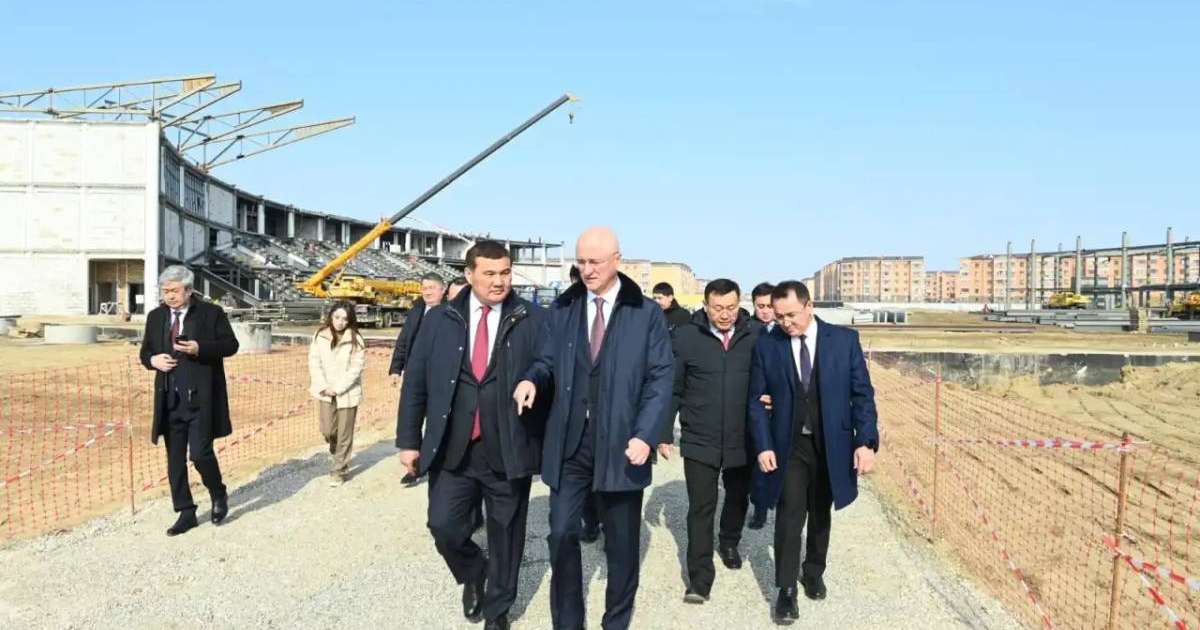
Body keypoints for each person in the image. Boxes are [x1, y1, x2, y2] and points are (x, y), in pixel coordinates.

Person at [514, 226, 674, 630]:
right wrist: (532, 379)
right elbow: (546, 359)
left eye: (595, 262)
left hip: (623, 443)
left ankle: (615, 621)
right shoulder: (564, 308)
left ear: (617, 260)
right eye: (581, 261)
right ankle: (568, 622)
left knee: (621, 544)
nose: (587, 270)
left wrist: (646, 434)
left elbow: (660, 377)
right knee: (561, 533)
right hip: (570, 443)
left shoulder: (645, 313)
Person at [397, 241, 548, 630]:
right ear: (469, 275)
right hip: (453, 447)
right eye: (490, 273)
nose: (499, 281)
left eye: (505, 273)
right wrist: (409, 441)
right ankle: (473, 570)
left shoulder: (531, 317)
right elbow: (415, 381)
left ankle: (497, 611)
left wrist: (534, 378)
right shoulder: (440, 319)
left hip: (508, 445)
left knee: (506, 536)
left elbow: (548, 362)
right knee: (443, 526)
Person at [747, 281, 879, 623]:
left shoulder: (843, 341)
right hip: (789, 445)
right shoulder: (768, 345)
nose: (785, 322)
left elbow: (862, 395)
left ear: (809, 306)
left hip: (831, 444)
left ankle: (814, 570)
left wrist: (865, 442)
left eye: (791, 315)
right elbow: (756, 401)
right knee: (790, 514)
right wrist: (763, 445)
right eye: (779, 317)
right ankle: (786, 590)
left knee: (821, 512)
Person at [660, 279, 761, 603]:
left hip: (742, 438)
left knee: (738, 496)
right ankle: (699, 580)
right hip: (699, 438)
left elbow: (772, 380)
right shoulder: (686, 337)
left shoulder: (755, 337)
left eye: (731, 307)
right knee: (700, 508)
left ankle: (729, 541)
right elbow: (673, 389)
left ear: (739, 304)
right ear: (705, 306)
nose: (725, 314)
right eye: (718, 308)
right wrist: (663, 432)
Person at [138, 265, 239, 536]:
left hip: (201, 398)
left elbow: (231, 345)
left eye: (174, 290)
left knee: (200, 454)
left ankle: (218, 493)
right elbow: (145, 352)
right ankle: (185, 511)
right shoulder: (156, 316)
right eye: (165, 291)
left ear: (189, 290)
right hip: (169, 398)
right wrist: (153, 360)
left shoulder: (210, 313)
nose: (169, 296)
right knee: (174, 460)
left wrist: (199, 348)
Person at [390, 273, 447, 486]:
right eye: (424, 288)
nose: (428, 292)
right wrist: (396, 368)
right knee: (412, 419)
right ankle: (415, 467)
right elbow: (403, 341)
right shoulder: (416, 311)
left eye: (432, 288)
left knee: (435, 422)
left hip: (440, 377)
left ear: (443, 290)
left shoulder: (451, 313)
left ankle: (435, 464)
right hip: (415, 375)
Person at [308, 301, 367, 486]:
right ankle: (337, 450)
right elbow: (314, 362)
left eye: (345, 319)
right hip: (325, 391)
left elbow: (356, 368)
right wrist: (323, 385)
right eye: (337, 317)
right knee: (328, 430)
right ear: (331, 316)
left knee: (344, 433)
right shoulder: (320, 335)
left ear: (350, 321)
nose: (340, 322)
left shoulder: (356, 339)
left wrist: (338, 388)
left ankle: (339, 470)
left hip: (347, 393)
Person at [747, 281, 777, 530]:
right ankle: (759, 508)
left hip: (779, 406)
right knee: (757, 457)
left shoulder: (785, 331)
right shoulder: (747, 331)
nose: (765, 311)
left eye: (769, 306)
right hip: (754, 403)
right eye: (760, 306)